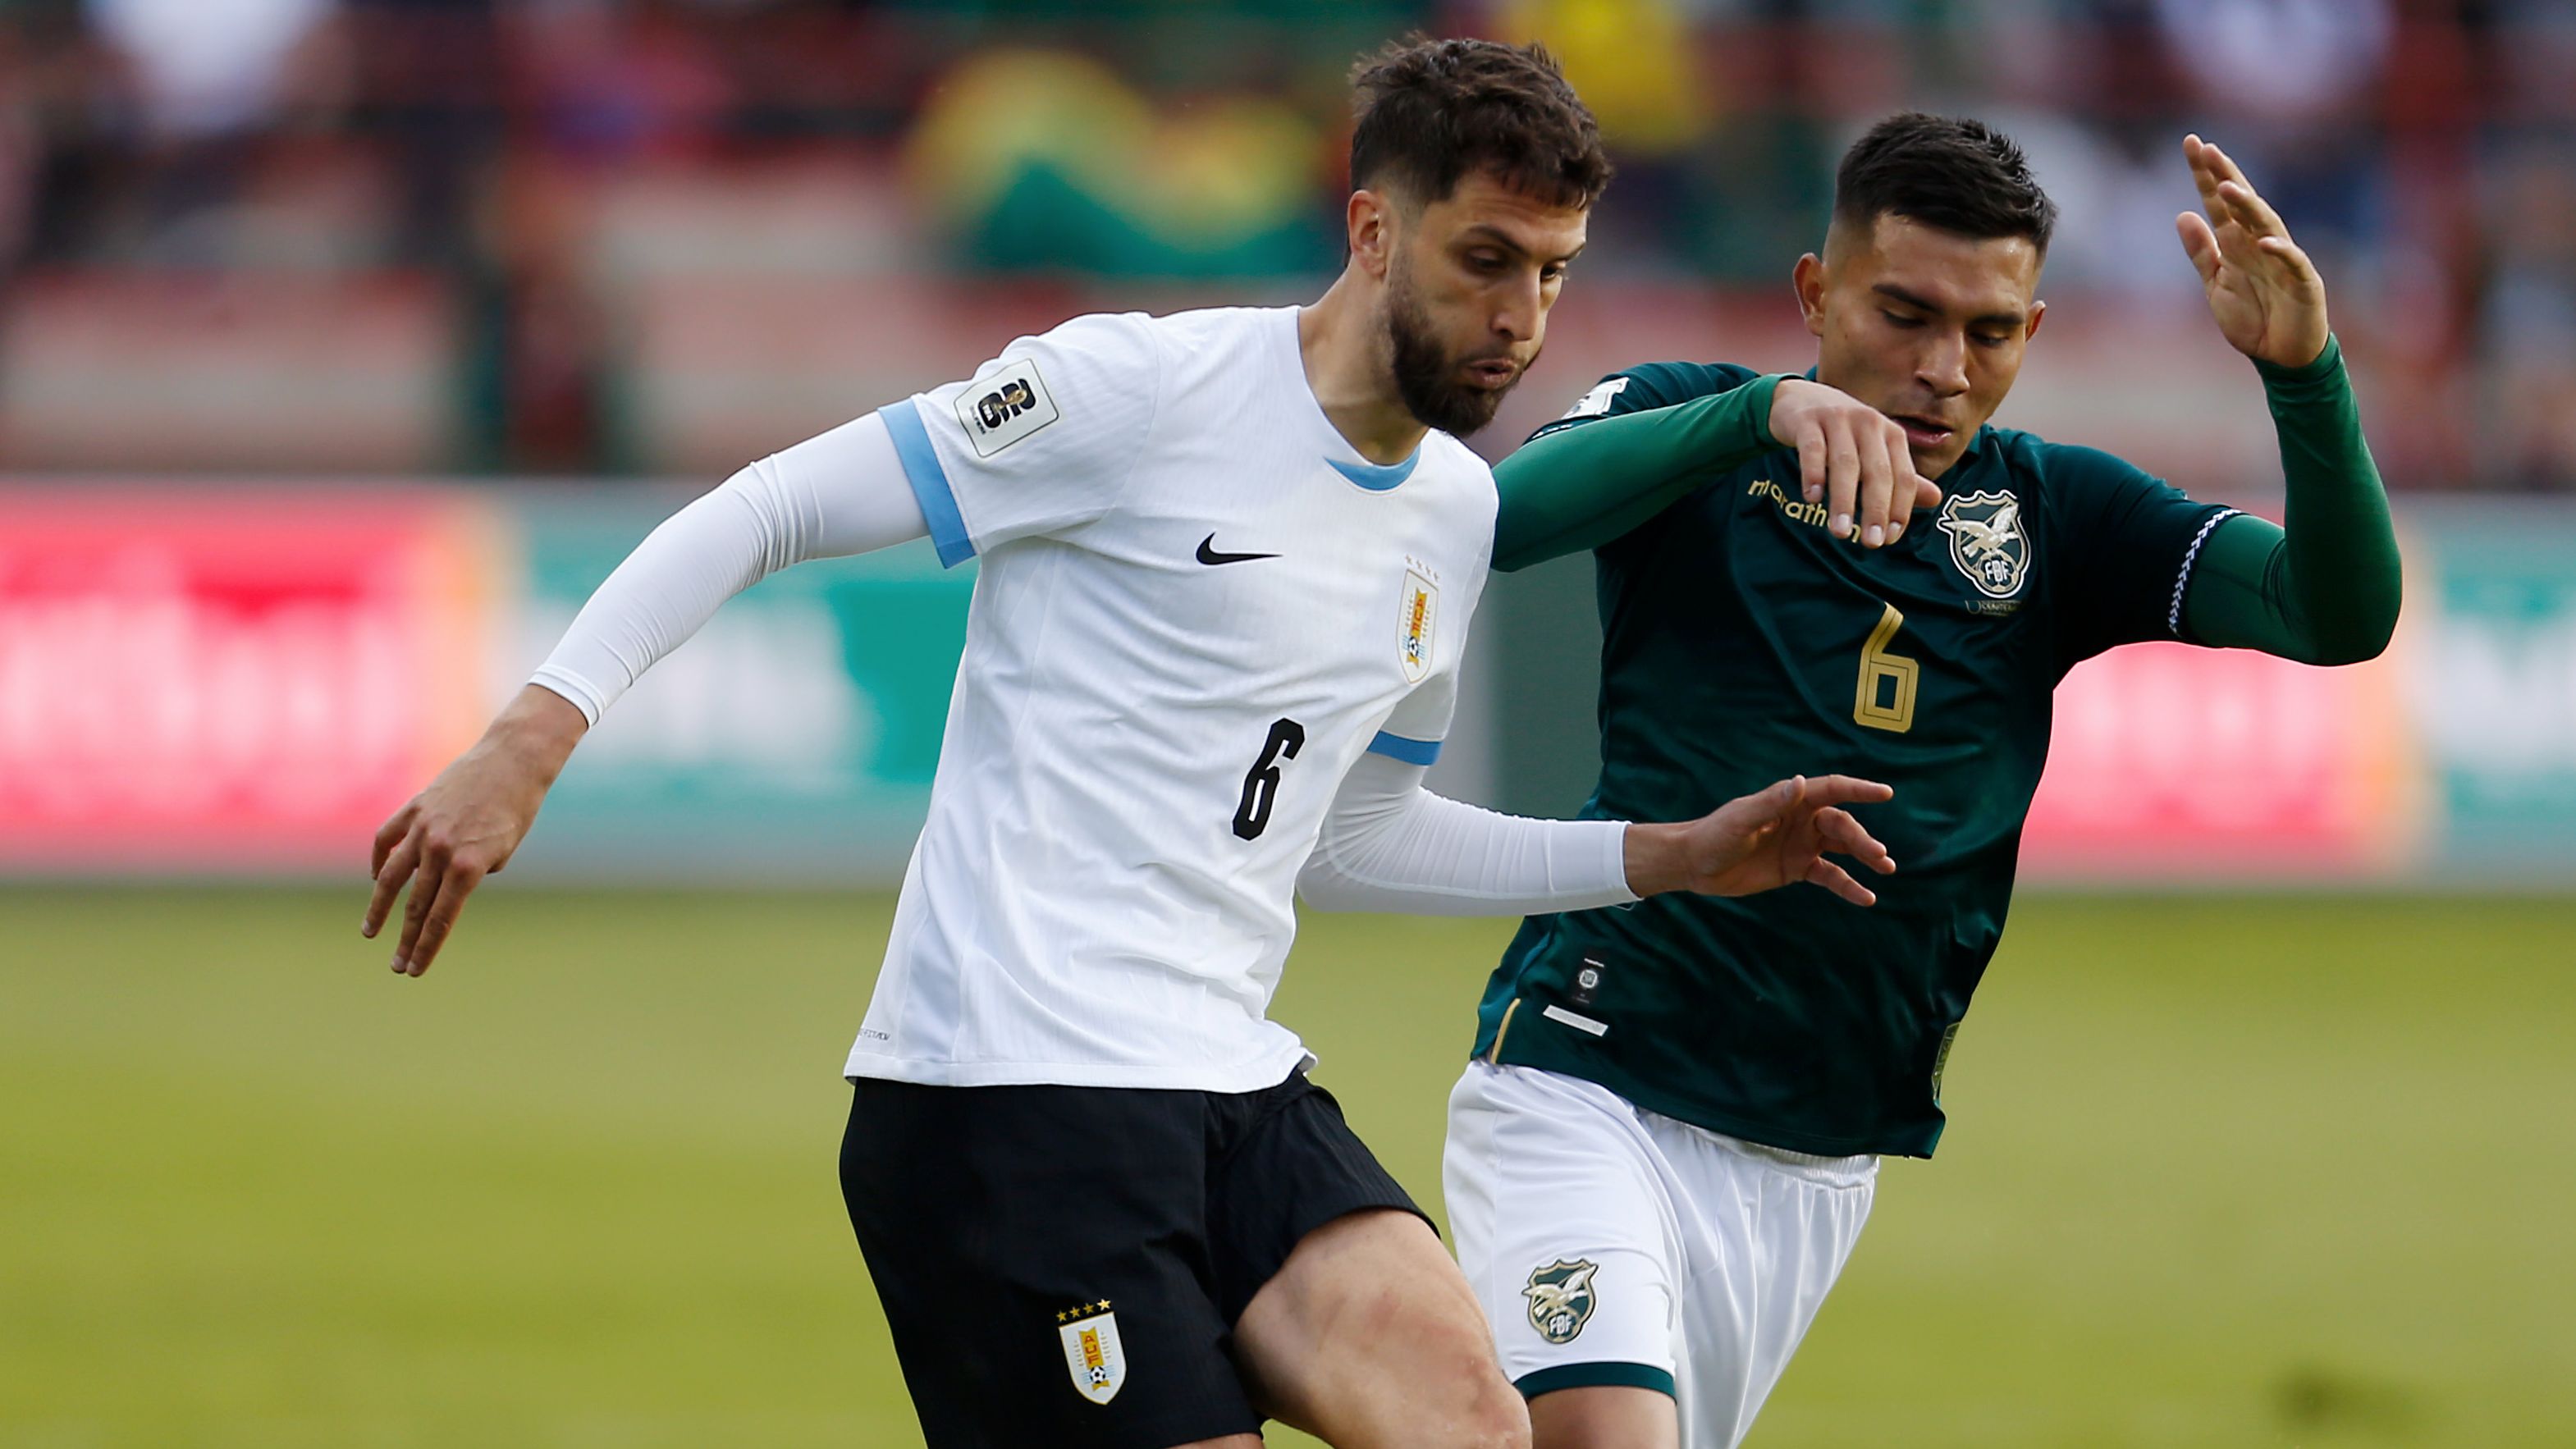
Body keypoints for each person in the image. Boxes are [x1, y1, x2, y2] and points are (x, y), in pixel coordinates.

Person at [359, 39, 1925, 1449]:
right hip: (1005, 1097)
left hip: (1230, 1084)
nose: (1521, 317)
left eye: (1555, 272)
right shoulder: (1137, 389)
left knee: (1472, 1418)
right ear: (1374, 231)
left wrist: (1666, 857)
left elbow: (1355, 835)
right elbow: (770, 506)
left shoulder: (1454, 511)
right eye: (1486, 260)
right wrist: (530, 733)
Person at [1436, 115, 2402, 1448]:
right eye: (1905, 314)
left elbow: (2336, 613)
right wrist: (1751, 415)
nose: (1945, 369)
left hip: (1821, 1156)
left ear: (2033, 331)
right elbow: (1504, 518)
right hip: (1589, 1078)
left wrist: (2304, 374)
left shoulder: (2060, 517)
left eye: (1991, 332)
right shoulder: (1698, 421)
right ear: (1815, 293)